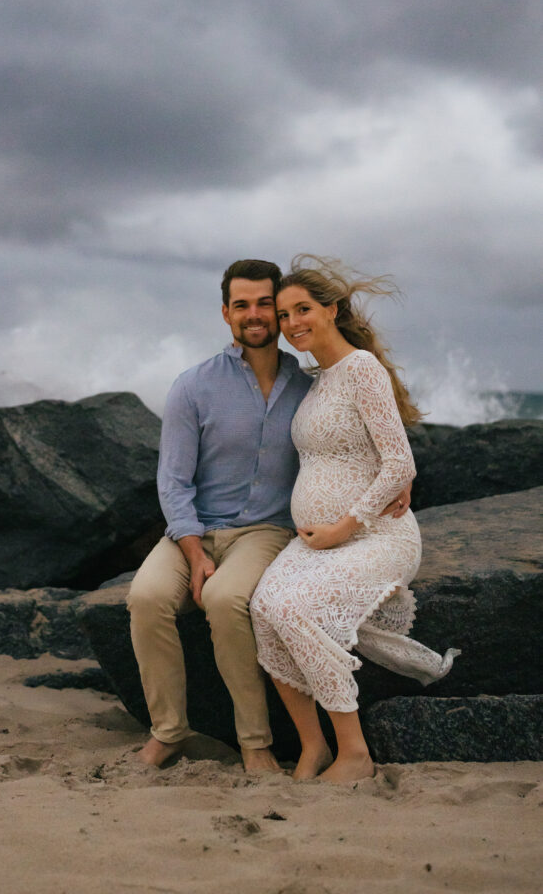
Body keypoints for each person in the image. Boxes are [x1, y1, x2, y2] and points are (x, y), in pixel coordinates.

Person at [127, 259, 411, 772]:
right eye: (244, 305)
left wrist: (403, 476)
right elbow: (172, 480)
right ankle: (168, 732)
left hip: (264, 531)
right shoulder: (192, 386)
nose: (257, 315)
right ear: (225, 313)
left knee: (227, 598)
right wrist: (192, 550)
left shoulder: (309, 384)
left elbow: (370, 436)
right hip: (193, 530)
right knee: (145, 597)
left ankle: (255, 744)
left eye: (267, 305)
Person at [250, 255, 460, 784]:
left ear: (333, 309)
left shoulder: (362, 368)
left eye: (304, 309)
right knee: (263, 608)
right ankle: (313, 745)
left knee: (296, 608)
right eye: (285, 314)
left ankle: (355, 752)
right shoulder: (317, 378)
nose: (294, 322)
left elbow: (400, 463)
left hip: (376, 536)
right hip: (322, 541)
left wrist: (346, 525)